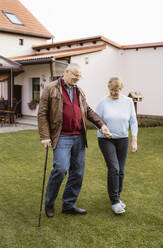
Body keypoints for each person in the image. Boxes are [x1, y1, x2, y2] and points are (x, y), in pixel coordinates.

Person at [38, 63, 111, 218]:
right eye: (75, 75)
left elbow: (88, 110)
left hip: (79, 136)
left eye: (80, 76)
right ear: (66, 72)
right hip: (62, 136)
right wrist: (45, 136)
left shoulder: (79, 90)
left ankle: (69, 204)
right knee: (60, 169)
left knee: (77, 172)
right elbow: (42, 113)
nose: (78, 78)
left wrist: (102, 125)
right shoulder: (51, 88)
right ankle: (49, 203)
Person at [96, 77, 138, 214]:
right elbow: (97, 120)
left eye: (117, 90)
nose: (114, 93)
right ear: (109, 88)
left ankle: (117, 197)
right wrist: (103, 129)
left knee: (121, 170)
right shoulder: (103, 102)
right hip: (106, 139)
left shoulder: (128, 102)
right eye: (112, 90)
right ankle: (114, 202)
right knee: (114, 168)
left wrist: (134, 140)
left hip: (123, 139)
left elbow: (133, 121)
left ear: (121, 88)